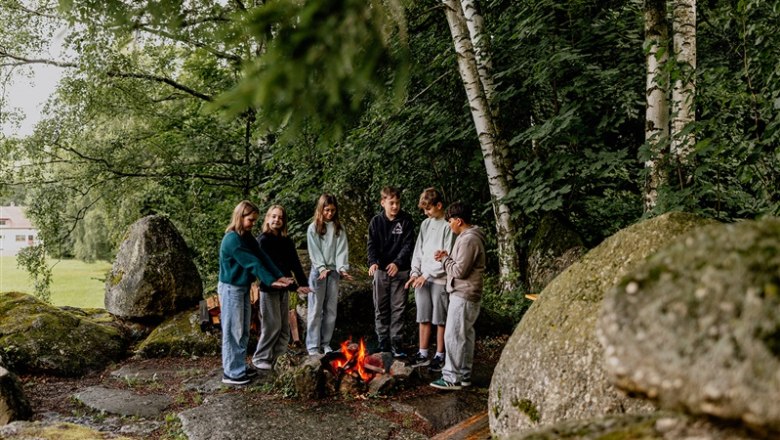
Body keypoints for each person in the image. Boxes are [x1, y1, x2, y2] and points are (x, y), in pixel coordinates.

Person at [218, 200, 293, 385]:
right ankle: (231, 373)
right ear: (240, 217)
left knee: (243, 330)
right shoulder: (232, 239)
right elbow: (252, 263)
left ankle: (239, 367)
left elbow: (262, 256)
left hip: (242, 287)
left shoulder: (246, 236)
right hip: (231, 289)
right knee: (233, 330)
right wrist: (270, 281)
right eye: (250, 220)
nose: (253, 223)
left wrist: (279, 276)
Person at [429, 201, 485, 391]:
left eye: (450, 221)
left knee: (453, 335)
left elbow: (460, 270)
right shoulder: (468, 237)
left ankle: (451, 377)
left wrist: (445, 260)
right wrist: (448, 256)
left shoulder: (469, 239)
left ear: (459, 221)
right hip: (467, 294)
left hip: (464, 294)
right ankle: (464, 376)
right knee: (466, 336)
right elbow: (460, 262)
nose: (449, 224)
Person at [251, 205, 312, 371]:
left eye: (280, 217)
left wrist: (304, 284)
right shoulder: (262, 241)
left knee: (284, 326)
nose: (277, 220)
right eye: (274, 216)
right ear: (268, 219)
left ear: (284, 221)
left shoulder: (286, 241)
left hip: (284, 289)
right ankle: (261, 357)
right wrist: (292, 286)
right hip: (269, 289)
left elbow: (295, 264)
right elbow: (268, 267)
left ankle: (279, 357)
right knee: (272, 325)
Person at [405, 188, 455, 371]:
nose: (426, 213)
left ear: (439, 205)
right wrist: (414, 273)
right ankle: (423, 353)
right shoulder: (426, 224)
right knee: (423, 316)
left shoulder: (448, 226)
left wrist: (426, 275)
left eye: (428, 209)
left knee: (440, 319)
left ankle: (440, 355)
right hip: (422, 279)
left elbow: (446, 256)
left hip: (439, 279)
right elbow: (419, 250)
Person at [367, 186, 415, 357]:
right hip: (380, 271)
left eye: (397, 202)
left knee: (398, 308)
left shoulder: (406, 220)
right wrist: (373, 262)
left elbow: (408, 245)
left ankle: (396, 343)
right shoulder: (376, 222)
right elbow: (371, 245)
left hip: (400, 272)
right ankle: (383, 342)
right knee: (380, 307)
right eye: (391, 203)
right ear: (383, 203)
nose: (395, 206)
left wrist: (397, 262)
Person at [306, 194, 352, 355]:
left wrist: (342, 268)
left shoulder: (339, 227)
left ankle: (325, 343)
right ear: (321, 209)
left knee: (331, 310)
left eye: (333, 210)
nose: (330, 214)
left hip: (333, 273)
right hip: (318, 273)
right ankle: (312, 345)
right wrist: (321, 268)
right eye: (327, 210)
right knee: (315, 309)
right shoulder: (313, 228)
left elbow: (341, 250)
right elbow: (314, 251)